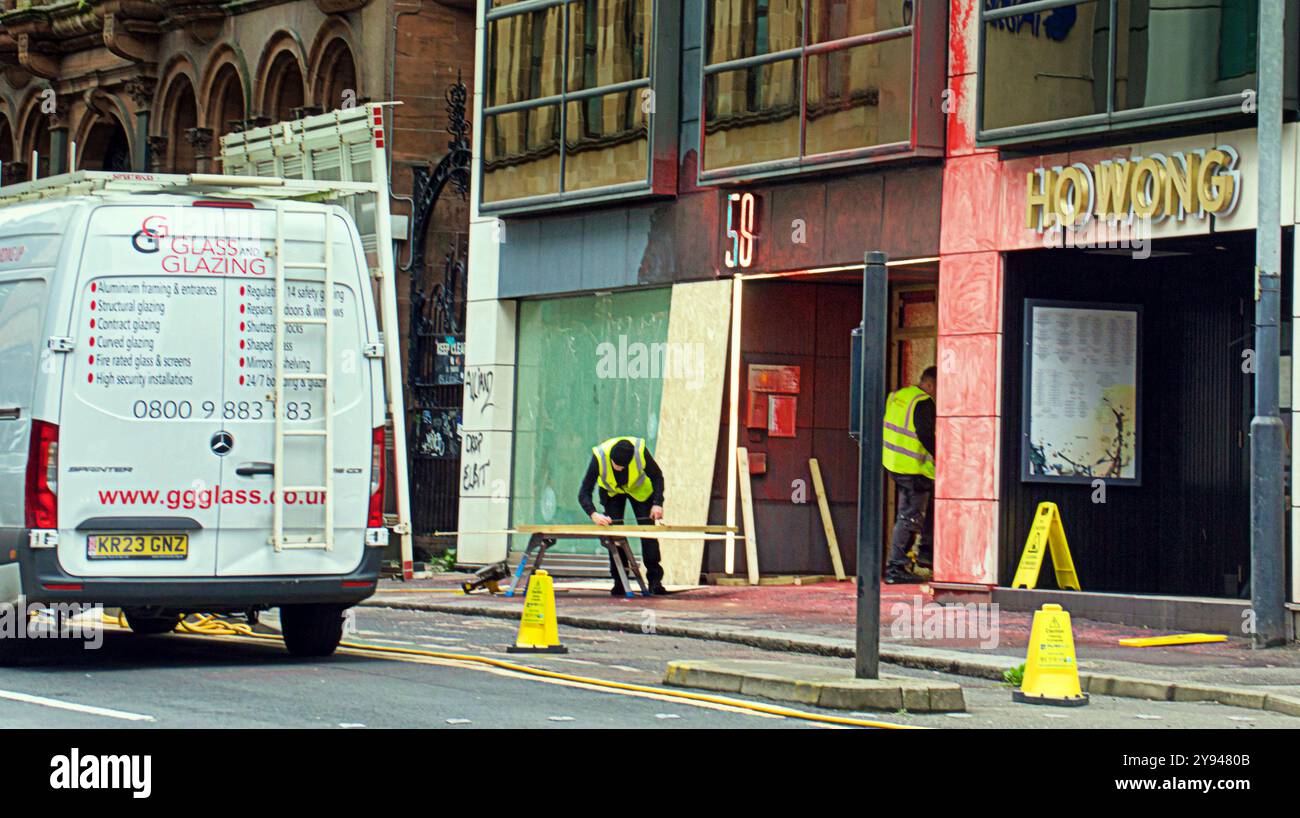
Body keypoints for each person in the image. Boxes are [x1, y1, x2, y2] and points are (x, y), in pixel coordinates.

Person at [578, 436, 669, 596]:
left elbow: (657, 477)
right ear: (611, 459)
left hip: (639, 490)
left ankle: (655, 582)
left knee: (648, 534)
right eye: (617, 466)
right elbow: (584, 492)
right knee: (615, 535)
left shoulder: (640, 451)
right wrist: (594, 514)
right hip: (612, 492)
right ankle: (620, 581)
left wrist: (657, 503)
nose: (619, 469)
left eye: (623, 466)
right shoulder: (599, 457)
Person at [881, 366, 937, 584]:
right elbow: (925, 434)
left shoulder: (897, 396)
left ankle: (911, 560)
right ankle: (896, 568)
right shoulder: (923, 401)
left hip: (894, 464)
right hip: (914, 468)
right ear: (930, 384)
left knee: (907, 515)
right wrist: (942, 455)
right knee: (910, 517)